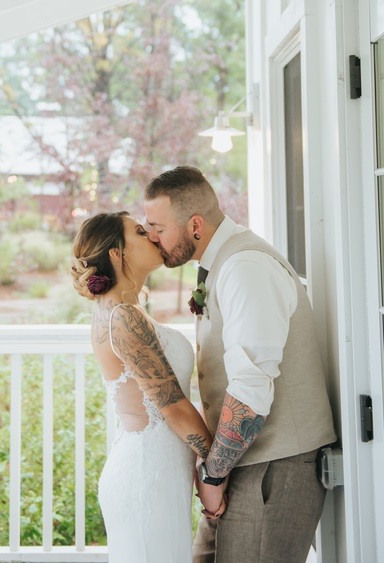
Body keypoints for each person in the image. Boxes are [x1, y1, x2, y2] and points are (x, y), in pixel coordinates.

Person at [144, 166, 337, 563]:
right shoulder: (220, 263)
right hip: (239, 461)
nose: (152, 237)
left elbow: (251, 386)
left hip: (273, 469)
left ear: (195, 225)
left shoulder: (245, 269)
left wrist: (213, 474)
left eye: (157, 227)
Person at [72, 211, 219, 563]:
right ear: (116, 253)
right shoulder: (123, 317)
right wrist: (216, 470)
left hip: (157, 473)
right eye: (140, 232)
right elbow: (174, 407)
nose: (153, 236)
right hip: (147, 479)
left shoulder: (122, 309)